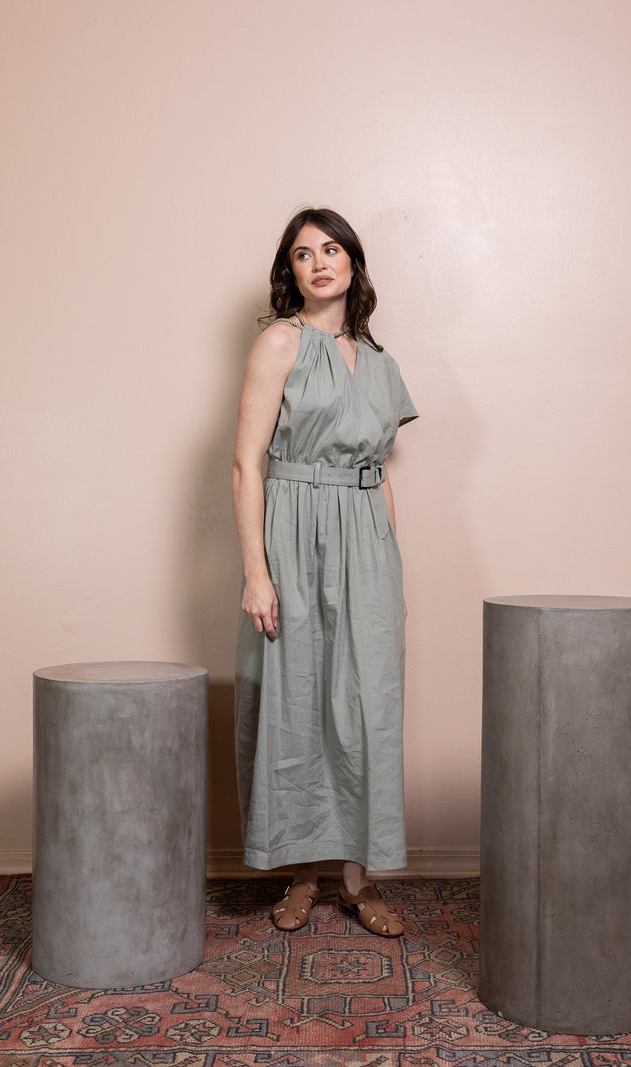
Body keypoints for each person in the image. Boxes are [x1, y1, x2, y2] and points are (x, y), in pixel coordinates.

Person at [232, 207, 417, 937]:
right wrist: (257, 571)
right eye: (303, 253)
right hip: (295, 528)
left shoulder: (380, 360)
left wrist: (394, 568)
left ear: (353, 262)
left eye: (331, 249)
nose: (319, 263)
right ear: (292, 271)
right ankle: (301, 874)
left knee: (366, 706)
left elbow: (381, 473)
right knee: (297, 696)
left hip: (367, 538)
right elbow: (248, 462)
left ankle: (358, 879)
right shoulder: (279, 342)